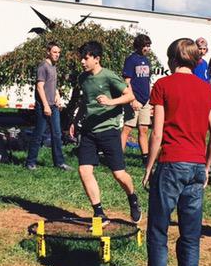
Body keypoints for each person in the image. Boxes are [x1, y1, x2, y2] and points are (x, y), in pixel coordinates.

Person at [136, 38, 211, 266]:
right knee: (190, 236)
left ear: (172, 59)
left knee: (158, 233)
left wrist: (149, 167)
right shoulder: (206, 89)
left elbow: (156, 133)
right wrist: (206, 166)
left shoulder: (163, 86)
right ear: (196, 60)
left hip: (172, 164)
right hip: (196, 166)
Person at [68, 41, 142, 224]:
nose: (83, 62)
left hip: (108, 130)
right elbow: (85, 102)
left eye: (86, 58)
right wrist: (75, 121)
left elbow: (130, 96)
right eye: (82, 58)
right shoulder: (82, 79)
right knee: (84, 170)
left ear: (97, 59)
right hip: (88, 130)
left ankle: (132, 197)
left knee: (119, 174)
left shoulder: (108, 76)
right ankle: (99, 212)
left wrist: (110, 102)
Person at [25, 41, 69, 171]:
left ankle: (59, 162)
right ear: (48, 52)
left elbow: (53, 85)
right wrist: (45, 106)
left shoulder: (53, 66)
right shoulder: (43, 67)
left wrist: (57, 96)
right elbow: (39, 87)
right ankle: (30, 162)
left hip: (53, 106)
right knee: (38, 134)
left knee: (57, 134)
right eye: (55, 52)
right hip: (44, 106)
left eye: (59, 52)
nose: (57, 55)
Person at [121, 34, 154, 162]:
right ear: (139, 45)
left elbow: (146, 80)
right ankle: (118, 157)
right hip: (134, 99)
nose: (147, 48)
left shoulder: (147, 61)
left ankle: (145, 157)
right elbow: (127, 81)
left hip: (145, 100)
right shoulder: (131, 59)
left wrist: (150, 99)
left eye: (149, 46)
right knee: (127, 129)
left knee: (144, 128)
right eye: (146, 46)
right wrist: (132, 99)